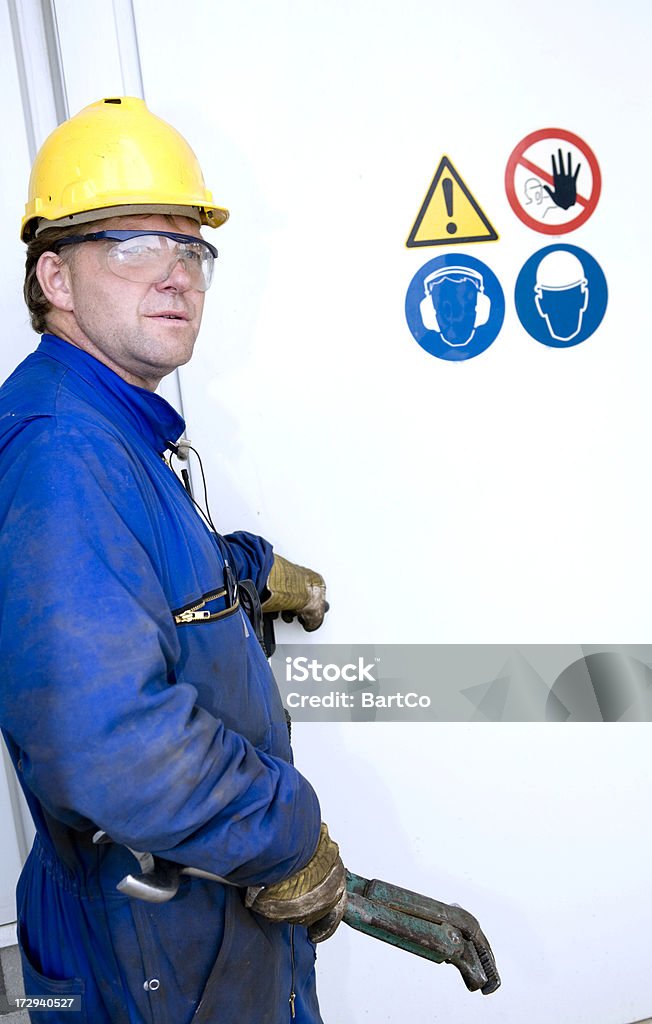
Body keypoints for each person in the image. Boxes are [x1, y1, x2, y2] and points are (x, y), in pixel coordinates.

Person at [0, 96, 345, 1024]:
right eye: (130, 244)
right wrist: (286, 837)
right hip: (152, 930)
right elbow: (103, 741)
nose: (175, 274)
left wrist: (248, 569)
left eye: (191, 247)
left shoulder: (108, 429)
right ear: (55, 279)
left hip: (181, 903)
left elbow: (146, 584)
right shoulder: (63, 455)